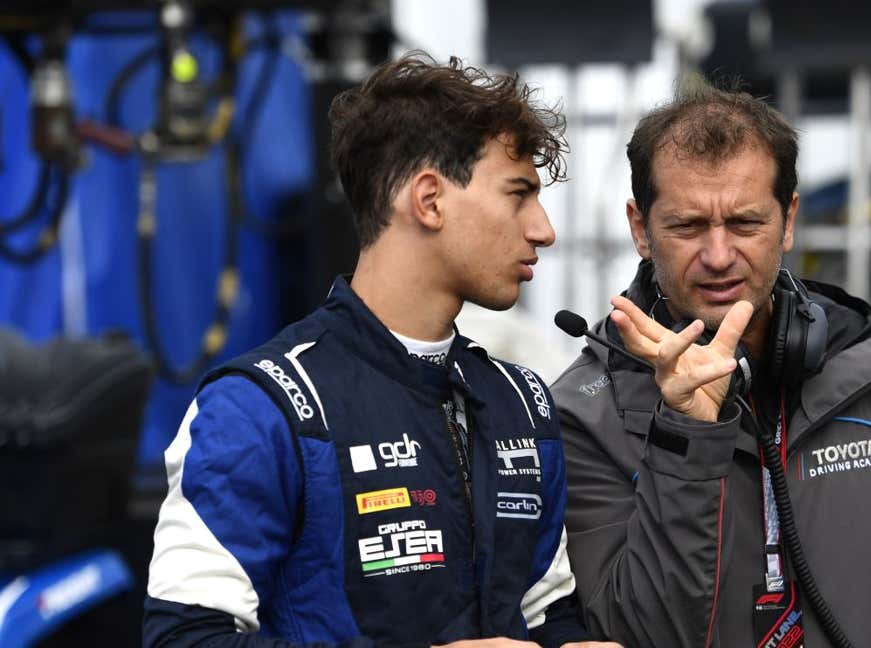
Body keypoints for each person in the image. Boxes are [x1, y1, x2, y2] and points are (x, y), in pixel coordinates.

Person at [143, 53, 619, 648]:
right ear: (429, 199)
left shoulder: (522, 402)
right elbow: (184, 640)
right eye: (518, 194)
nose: (544, 228)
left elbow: (546, 615)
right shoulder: (259, 408)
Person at [550, 81, 871, 647]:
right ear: (641, 229)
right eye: (688, 226)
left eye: (745, 224)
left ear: (789, 221)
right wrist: (687, 435)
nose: (719, 256)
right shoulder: (582, 411)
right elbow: (639, 635)